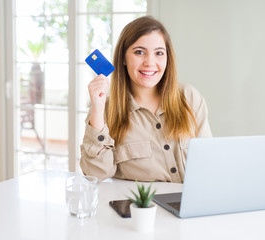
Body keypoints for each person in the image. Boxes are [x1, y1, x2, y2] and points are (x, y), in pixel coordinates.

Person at [80, 16, 212, 183]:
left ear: (167, 58)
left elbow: (209, 161)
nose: (150, 62)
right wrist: (98, 109)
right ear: (123, 58)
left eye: (159, 53)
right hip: (140, 208)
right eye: (139, 52)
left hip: (193, 205)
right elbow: (96, 174)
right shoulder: (106, 110)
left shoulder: (189, 97)